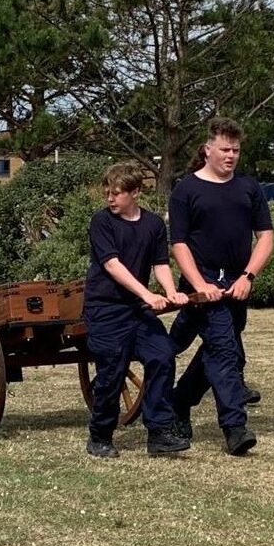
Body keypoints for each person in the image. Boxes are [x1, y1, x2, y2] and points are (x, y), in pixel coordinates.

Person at [168, 117, 274, 455]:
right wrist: (200, 284)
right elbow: (179, 244)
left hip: (237, 284)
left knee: (218, 349)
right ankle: (235, 427)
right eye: (225, 149)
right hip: (202, 286)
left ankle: (180, 401)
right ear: (208, 149)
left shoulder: (249, 188)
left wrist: (248, 277)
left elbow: (266, 237)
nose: (231, 156)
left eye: (236, 150)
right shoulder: (187, 190)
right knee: (226, 352)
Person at [83, 162, 191, 458]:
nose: (109, 198)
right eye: (107, 192)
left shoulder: (153, 224)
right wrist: (147, 293)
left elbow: (160, 264)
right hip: (105, 310)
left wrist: (171, 292)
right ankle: (100, 436)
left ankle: (159, 432)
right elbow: (112, 265)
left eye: (116, 193)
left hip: (136, 310)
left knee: (162, 354)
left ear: (135, 192)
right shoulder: (101, 222)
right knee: (112, 373)